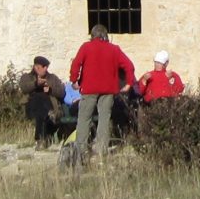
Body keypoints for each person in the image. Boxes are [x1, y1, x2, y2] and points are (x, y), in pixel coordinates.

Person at [67, 23, 137, 157]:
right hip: (108, 89)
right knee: (105, 118)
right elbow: (129, 66)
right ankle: (101, 149)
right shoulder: (114, 49)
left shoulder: (86, 47)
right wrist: (128, 83)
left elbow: (76, 64)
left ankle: (81, 149)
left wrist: (74, 80)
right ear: (105, 35)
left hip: (89, 88)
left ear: (92, 35)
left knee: (84, 118)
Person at [19, 55, 67, 148]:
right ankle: (48, 114)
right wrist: (36, 84)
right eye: (43, 67)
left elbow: (61, 92)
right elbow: (24, 87)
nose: (45, 69)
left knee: (41, 113)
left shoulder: (52, 78)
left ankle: (40, 140)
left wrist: (50, 90)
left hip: (50, 108)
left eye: (46, 67)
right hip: (32, 107)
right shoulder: (27, 77)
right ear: (36, 67)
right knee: (38, 98)